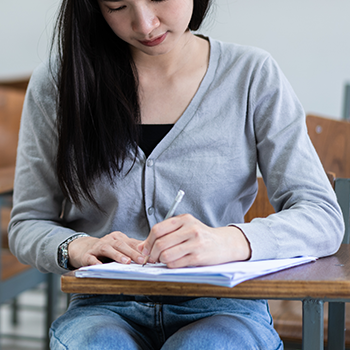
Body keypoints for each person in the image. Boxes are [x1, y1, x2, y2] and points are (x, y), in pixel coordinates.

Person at [8, 0, 344, 349]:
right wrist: (77, 246)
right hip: (101, 307)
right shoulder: (61, 84)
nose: (144, 24)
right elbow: (27, 223)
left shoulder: (251, 75)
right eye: (117, 6)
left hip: (224, 307)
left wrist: (228, 241)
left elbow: (322, 216)